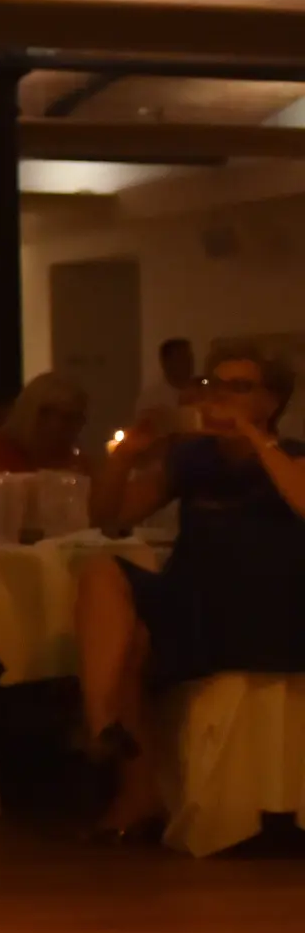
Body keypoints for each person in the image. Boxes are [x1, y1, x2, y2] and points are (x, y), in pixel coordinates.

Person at [78, 343, 305, 839]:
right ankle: (101, 724)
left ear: (272, 401)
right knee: (101, 572)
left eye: (239, 388)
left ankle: (135, 793)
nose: (221, 397)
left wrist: (250, 433)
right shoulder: (192, 457)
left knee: (135, 647)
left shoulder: (292, 457)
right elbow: (109, 518)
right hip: (190, 594)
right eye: (215, 386)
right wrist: (125, 457)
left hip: (261, 608)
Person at [0, 370, 89, 475]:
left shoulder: (78, 465)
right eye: (47, 413)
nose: (56, 425)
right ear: (26, 411)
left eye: (70, 417)